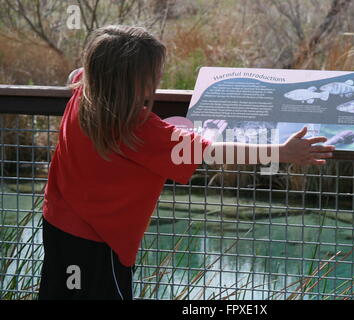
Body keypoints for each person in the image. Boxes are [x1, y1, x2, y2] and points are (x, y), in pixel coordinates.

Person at [38, 25, 335, 300]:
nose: (160, 78)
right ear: (134, 81)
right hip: (100, 244)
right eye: (154, 73)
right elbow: (214, 152)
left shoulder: (83, 95)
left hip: (57, 225)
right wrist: (282, 152)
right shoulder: (140, 130)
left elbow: (77, 75)